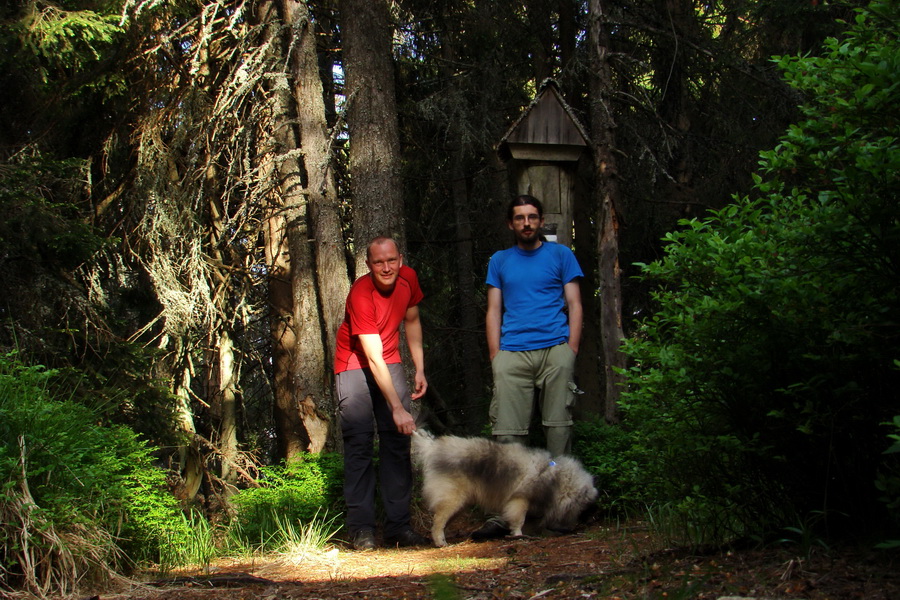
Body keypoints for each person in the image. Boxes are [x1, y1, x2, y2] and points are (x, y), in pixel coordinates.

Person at [474, 195, 584, 540]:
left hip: (555, 351)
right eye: (519, 218)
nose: (526, 223)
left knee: (558, 430)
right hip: (512, 354)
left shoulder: (560, 255)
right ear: (511, 224)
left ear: (540, 221)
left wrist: (571, 349)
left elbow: (575, 303)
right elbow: (494, 309)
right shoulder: (500, 261)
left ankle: (560, 512)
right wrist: (496, 355)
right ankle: (504, 516)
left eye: (532, 217)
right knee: (508, 436)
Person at [334, 236, 430, 551]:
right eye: (378, 262)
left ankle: (398, 527)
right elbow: (372, 358)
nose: (386, 268)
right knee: (360, 444)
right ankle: (362, 530)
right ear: (368, 265)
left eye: (391, 260)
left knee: (397, 443)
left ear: (400, 259)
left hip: (389, 360)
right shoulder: (360, 294)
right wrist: (397, 408)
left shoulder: (409, 278)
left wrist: (419, 368)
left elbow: (412, 321)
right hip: (353, 365)